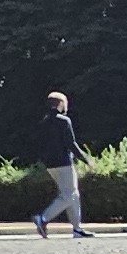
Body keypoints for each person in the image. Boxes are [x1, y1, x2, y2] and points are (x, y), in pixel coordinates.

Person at [33, 89, 90, 237]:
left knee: (74, 194)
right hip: (64, 162)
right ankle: (43, 218)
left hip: (50, 165)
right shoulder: (64, 121)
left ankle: (77, 229)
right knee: (68, 194)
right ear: (60, 104)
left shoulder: (44, 121)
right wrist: (86, 159)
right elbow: (71, 143)